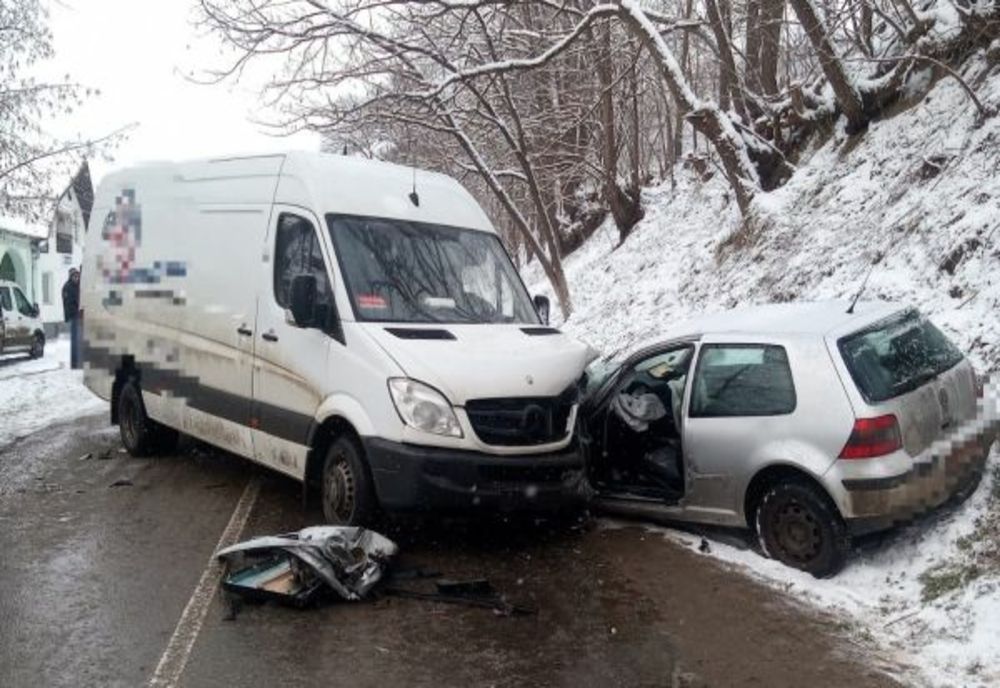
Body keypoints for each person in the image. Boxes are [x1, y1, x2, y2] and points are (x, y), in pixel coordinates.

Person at [62, 268, 81, 368]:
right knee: (75, 340)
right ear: (71, 276)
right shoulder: (67, 287)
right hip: (73, 316)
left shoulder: (78, 286)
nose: (76, 278)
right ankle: (74, 363)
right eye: (74, 276)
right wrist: (68, 316)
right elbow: (66, 303)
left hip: (80, 315)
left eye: (77, 276)